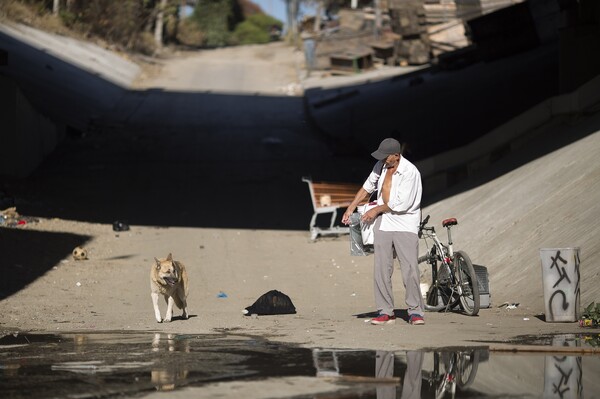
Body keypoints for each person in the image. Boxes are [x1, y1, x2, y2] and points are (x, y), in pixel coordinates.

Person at [342, 138, 425, 325]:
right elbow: (366, 187)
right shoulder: (380, 166)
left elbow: (402, 204)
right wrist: (351, 207)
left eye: (386, 157)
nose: (383, 160)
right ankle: (386, 311)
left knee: (409, 269)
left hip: (405, 223)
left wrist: (376, 209)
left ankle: (415, 311)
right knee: (381, 268)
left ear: (396, 155)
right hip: (385, 222)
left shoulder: (410, 172)